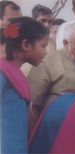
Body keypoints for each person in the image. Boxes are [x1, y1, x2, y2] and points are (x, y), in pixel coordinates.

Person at [0, 16, 49, 153]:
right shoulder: (3, 72)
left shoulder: (14, 71)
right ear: (25, 45)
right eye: (43, 46)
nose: (45, 52)